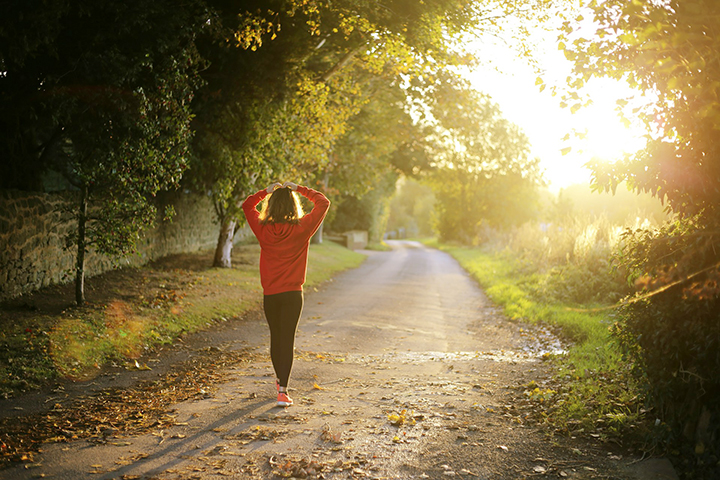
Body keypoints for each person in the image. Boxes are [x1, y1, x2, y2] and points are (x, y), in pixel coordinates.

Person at [242, 181, 330, 407]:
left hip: (271, 294)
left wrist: (266, 191)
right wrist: (299, 188)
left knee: (276, 337)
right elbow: (323, 202)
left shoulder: (262, 229)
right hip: (293, 294)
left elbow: (247, 205)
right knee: (287, 339)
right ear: (293, 206)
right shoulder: (302, 228)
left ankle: (280, 383)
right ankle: (283, 391)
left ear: (271, 207)